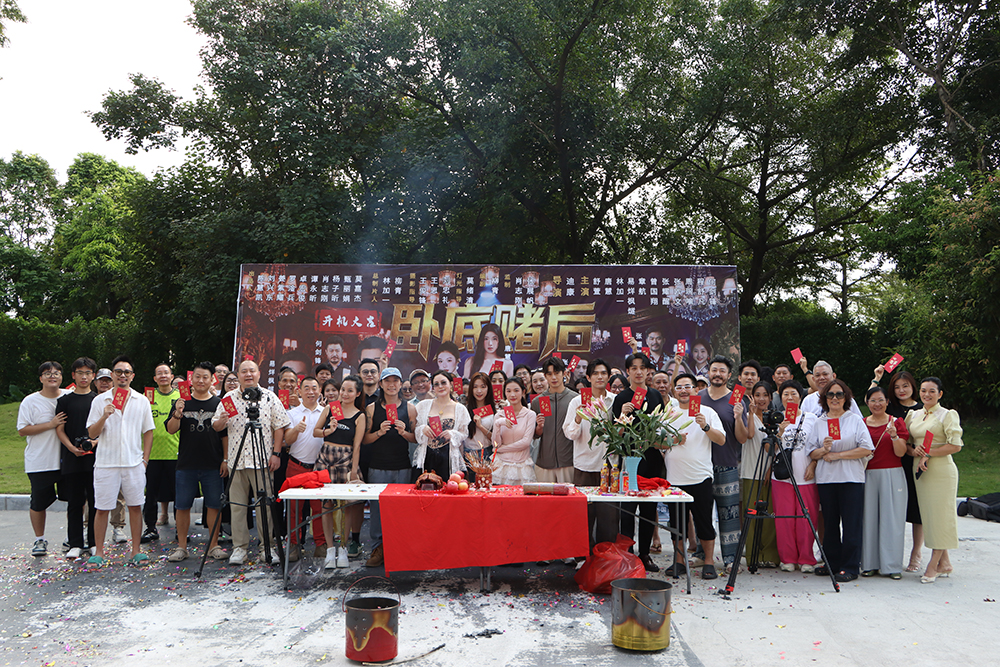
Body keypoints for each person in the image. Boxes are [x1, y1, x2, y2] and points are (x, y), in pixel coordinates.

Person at [212, 360, 290, 567]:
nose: (248, 374)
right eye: (244, 371)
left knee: (265, 506)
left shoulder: (269, 397)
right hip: (236, 461)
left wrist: (276, 453)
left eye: (251, 371)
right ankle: (240, 548)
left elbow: (279, 426)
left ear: (259, 373)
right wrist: (222, 420)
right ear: (238, 375)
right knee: (237, 507)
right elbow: (217, 426)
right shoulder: (228, 398)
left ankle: (267, 547)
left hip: (262, 460)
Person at [85, 356, 155, 566]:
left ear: (132, 376)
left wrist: (144, 460)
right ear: (112, 375)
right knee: (102, 508)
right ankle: (99, 552)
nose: (122, 375)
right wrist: (104, 416)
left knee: (135, 506)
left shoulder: (141, 400)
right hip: (106, 463)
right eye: (118, 372)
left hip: (133, 463)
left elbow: (148, 431)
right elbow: (92, 433)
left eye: (126, 372)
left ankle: (136, 551)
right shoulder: (100, 401)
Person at [806, 380, 874, 582]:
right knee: (830, 523)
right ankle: (832, 563)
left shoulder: (855, 420)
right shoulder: (819, 422)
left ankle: (850, 566)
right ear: (824, 398)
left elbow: (866, 448)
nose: (835, 398)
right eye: (830, 395)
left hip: (851, 479)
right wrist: (824, 450)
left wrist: (838, 455)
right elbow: (812, 453)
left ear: (846, 398)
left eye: (839, 394)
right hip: (827, 480)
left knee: (851, 524)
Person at [664, 373, 727, 579]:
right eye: (679, 387)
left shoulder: (707, 412)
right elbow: (655, 442)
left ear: (696, 390)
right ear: (674, 391)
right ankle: (679, 561)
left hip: (701, 476)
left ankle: (709, 562)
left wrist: (705, 426)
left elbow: (721, 440)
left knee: (704, 521)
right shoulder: (668, 413)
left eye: (687, 386)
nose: (683, 390)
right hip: (674, 479)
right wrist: (673, 441)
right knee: (676, 523)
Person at [164, 361, 227, 563]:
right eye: (197, 376)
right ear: (191, 379)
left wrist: (225, 459)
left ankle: (214, 545)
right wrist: (177, 413)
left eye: (205, 377)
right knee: (182, 506)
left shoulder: (219, 403)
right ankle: (182, 547)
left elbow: (225, 435)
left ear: (212, 380)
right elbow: (171, 429)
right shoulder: (182, 402)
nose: (201, 380)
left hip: (213, 463)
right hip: (186, 463)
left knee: (214, 505)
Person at [611, 352, 667, 572]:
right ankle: (627, 555)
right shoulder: (621, 398)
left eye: (642, 368)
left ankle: (644, 554)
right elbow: (616, 434)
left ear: (647, 371)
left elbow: (661, 428)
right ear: (627, 371)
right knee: (627, 510)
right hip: (629, 460)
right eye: (633, 368)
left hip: (651, 460)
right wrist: (623, 415)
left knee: (648, 509)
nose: (638, 372)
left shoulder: (655, 395)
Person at [905, 377, 962, 583]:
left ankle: (934, 563)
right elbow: (907, 444)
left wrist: (929, 453)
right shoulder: (914, 415)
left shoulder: (947, 414)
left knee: (940, 516)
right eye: (923, 391)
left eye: (931, 391)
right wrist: (914, 451)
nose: (927, 394)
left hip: (940, 471)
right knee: (929, 517)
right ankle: (945, 563)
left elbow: (955, 445)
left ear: (940, 394)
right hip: (920, 470)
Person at [696, 355, 748, 573]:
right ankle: (701, 554)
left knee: (729, 514)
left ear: (729, 375)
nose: (717, 374)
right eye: (714, 370)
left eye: (722, 371)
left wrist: (738, 417)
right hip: (700, 465)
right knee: (702, 512)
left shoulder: (737, 398)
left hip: (726, 464)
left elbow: (742, 438)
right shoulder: (698, 397)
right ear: (708, 372)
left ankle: (731, 559)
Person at [362, 367, 417, 567]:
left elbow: (416, 438)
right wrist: (379, 432)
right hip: (377, 466)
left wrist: (404, 433)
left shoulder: (409, 408)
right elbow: (364, 439)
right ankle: (378, 548)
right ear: (381, 384)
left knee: (401, 509)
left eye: (395, 381)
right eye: (387, 381)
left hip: (402, 466)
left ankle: (399, 547)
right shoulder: (372, 408)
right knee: (377, 509)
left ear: (401, 384)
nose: (391, 385)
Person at [563, 358, 617, 549]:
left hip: (610, 467)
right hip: (584, 466)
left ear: (609, 377)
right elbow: (569, 434)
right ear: (588, 377)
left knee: (609, 517)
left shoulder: (614, 401)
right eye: (595, 373)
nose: (599, 377)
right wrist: (578, 418)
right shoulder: (577, 401)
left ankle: (607, 556)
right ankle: (583, 556)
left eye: (603, 373)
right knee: (583, 516)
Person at [16, 361, 68, 557]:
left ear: (62, 377)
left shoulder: (68, 397)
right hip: (40, 461)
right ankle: (39, 539)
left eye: (56, 373)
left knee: (75, 499)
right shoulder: (30, 401)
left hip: (67, 459)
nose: (52, 376)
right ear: (40, 378)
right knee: (38, 502)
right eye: (47, 373)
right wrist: (51, 424)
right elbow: (23, 430)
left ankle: (73, 537)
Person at [314, 375, 366, 565]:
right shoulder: (330, 408)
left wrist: (354, 471)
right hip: (325, 458)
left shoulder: (360, 416)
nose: (345, 393)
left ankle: (343, 548)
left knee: (347, 505)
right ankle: (330, 549)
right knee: (326, 504)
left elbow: (357, 446)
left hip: (346, 460)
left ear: (357, 393)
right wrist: (328, 430)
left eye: (350, 390)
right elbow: (315, 431)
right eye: (343, 389)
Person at [861, 386, 909, 579]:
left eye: (881, 400)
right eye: (873, 400)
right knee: (868, 519)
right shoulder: (861, 423)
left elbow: (901, 452)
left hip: (892, 474)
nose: (877, 404)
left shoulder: (896, 422)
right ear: (867, 403)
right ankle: (869, 563)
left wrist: (894, 435)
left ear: (887, 402)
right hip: (867, 474)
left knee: (892, 519)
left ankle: (892, 565)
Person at [772, 380, 820, 572]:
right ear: (780, 397)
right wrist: (780, 431)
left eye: (793, 393)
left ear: (800, 397)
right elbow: (769, 449)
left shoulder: (812, 419)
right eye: (786, 394)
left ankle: (806, 558)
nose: (790, 397)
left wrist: (814, 465)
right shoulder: (776, 418)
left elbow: (817, 446)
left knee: (807, 517)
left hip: (805, 475)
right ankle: (788, 558)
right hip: (782, 478)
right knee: (784, 518)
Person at [54, 358, 99, 559]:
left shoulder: (98, 400)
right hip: (72, 457)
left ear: (93, 376)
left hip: (95, 458)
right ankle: (75, 543)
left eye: (88, 373)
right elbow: (59, 429)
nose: (84, 376)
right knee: (74, 501)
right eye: (80, 372)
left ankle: (95, 542)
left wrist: (94, 442)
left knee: (96, 501)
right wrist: (71, 448)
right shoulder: (64, 401)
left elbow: (105, 429)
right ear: (73, 375)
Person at [881, 369, 924, 571]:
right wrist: (876, 378)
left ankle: (916, 552)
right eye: (897, 387)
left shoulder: (923, 409)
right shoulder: (889, 408)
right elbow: (871, 398)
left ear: (913, 386)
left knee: (917, 510)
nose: (901, 390)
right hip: (894, 463)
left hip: (918, 462)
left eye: (905, 386)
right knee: (894, 510)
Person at [283, 376, 328, 562]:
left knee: (320, 509)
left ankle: (321, 544)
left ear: (320, 391)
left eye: (314, 388)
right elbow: (287, 440)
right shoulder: (292, 413)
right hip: (297, 465)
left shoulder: (326, 412)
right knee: (294, 509)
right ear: (299, 391)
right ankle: (294, 544)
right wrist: (296, 429)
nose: (311, 392)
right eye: (306, 388)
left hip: (319, 468)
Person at [739, 381, 780, 568]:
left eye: (765, 395)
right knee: (752, 515)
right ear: (752, 397)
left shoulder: (775, 418)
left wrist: (771, 468)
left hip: (770, 472)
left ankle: (770, 555)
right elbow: (749, 435)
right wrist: (751, 413)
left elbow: (775, 448)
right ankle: (753, 556)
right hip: (751, 471)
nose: (761, 399)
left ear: (771, 397)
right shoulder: (748, 416)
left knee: (770, 516)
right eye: (757, 395)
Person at [142, 363, 179, 544]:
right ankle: (150, 528)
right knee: (150, 495)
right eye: (159, 373)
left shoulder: (180, 397)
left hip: (175, 453)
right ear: (155, 379)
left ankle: (181, 528)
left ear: (172, 377)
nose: (163, 376)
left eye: (166, 373)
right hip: (152, 454)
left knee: (179, 495)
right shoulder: (147, 397)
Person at [415, 370, 471, 479]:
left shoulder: (460, 409)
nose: (440, 386)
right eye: (436, 384)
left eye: (443, 383)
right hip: (427, 455)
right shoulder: (423, 406)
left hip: (448, 456)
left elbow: (464, 434)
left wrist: (452, 434)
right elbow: (415, 428)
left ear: (451, 384)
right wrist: (422, 429)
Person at [531, 357, 578, 484]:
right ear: (545, 376)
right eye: (549, 374)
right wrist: (539, 428)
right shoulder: (537, 402)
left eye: (557, 373)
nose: (553, 377)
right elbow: (535, 435)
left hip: (568, 462)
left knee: (569, 496)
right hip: (544, 463)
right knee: (543, 496)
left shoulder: (575, 399)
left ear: (564, 373)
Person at [491, 377, 538, 485]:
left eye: (516, 390)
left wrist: (501, 449)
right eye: (508, 391)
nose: (512, 394)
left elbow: (526, 442)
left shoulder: (530, 415)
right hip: (501, 465)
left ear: (523, 392)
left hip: (522, 465)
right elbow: (496, 444)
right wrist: (498, 424)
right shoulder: (499, 415)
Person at [465, 372, 496, 482]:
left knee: (485, 485)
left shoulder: (495, 410)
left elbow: (495, 439)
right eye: (475, 387)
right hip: (468, 453)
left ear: (488, 388)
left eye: (483, 387)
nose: (479, 391)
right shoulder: (464, 409)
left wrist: (481, 426)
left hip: (486, 452)